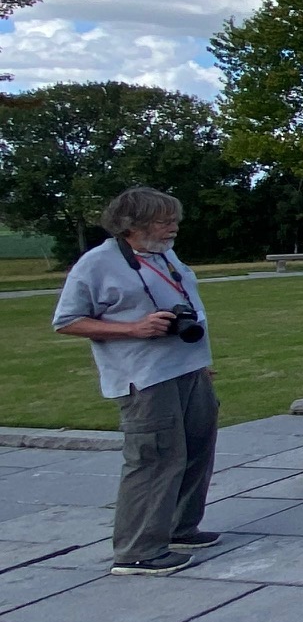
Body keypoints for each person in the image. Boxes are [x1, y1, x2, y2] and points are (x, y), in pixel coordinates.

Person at [52, 187, 220, 575]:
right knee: (155, 457)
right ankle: (138, 549)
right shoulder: (97, 263)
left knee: (196, 447)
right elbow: (67, 321)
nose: (173, 228)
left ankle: (179, 527)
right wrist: (133, 329)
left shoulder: (163, 254)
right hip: (143, 377)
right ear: (132, 225)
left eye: (173, 220)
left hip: (187, 368)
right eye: (164, 221)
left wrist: (198, 361)